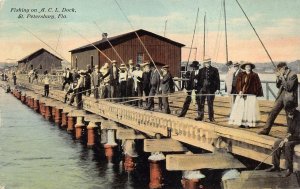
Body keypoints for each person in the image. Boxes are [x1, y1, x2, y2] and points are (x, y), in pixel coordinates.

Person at [259, 62, 298, 135]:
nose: (279, 71)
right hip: (281, 96)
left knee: (289, 116)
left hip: (289, 98)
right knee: (272, 112)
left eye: (280, 70)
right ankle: (266, 130)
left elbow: (289, 88)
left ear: (284, 68)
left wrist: (282, 77)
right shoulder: (282, 74)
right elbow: (278, 86)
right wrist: (278, 78)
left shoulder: (293, 75)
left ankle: (290, 133)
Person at [266, 101, 300, 177]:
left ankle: (289, 169)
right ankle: (275, 165)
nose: (288, 113)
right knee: (277, 142)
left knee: (288, 145)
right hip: (293, 137)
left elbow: (298, 133)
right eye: (287, 111)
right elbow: (290, 130)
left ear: (294, 109)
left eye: (290, 111)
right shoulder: (290, 115)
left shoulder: (299, 117)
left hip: (298, 137)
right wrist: (286, 137)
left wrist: (287, 140)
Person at [228, 62, 263, 128]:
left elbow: (258, 85)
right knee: (242, 108)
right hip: (242, 94)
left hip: (250, 95)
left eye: (249, 67)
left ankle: (249, 124)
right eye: (246, 67)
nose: (248, 68)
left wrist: (255, 92)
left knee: (249, 109)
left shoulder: (254, 75)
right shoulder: (241, 74)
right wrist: (239, 91)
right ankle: (241, 123)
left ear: (251, 68)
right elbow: (238, 84)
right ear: (244, 68)